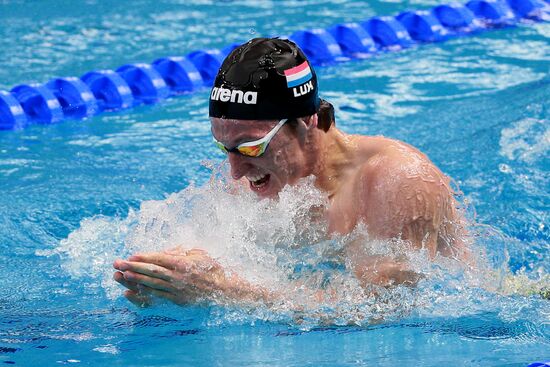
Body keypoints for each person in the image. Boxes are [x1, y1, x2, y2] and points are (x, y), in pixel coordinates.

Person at [113, 38, 471, 307]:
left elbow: (383, 309)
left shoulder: (396, 182)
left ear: (306, 121)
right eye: (225, 148)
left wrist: (224, 291)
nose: (235, 171)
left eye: (253, 147)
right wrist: (168, 283)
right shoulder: (256, 174)